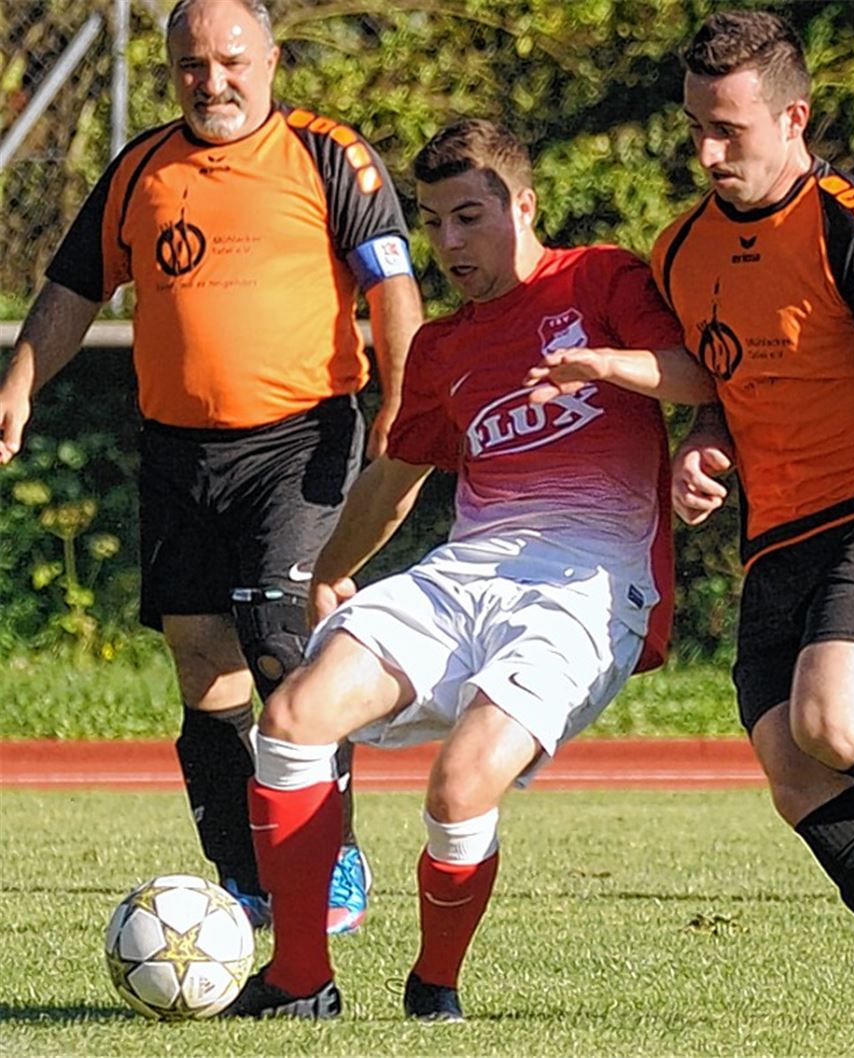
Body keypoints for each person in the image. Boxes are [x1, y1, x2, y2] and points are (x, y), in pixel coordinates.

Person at [528, 9, 854, 1032]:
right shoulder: (683, 249)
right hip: (778, 539)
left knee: (834, 718)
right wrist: (701, 443)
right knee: (798, 773)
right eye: (695, 129)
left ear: (792, 117)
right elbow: (715, 381)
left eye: (730, 130)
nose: (708, 152)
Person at [220, 117, 717, 1020]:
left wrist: (605, 364)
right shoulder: (445, 349)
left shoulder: (602, 278)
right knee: (292, 719)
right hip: (465, 572)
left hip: (588, 583)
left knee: (461, 780)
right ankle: (298, 980)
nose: (448, 243)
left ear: (523, 206)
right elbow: (394, 479)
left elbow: (697, 375)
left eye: (470, 217)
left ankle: (433, 983)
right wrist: (330, 569)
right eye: (434, 223)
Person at [0, 0, 423, 936]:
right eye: (192, 65)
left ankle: (332, 855)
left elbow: (394, 285)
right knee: (203, 664)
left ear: (270, 61)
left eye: (232, 60)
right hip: (179, 450)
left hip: (301, 441)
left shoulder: (327, 155)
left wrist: (406, 400)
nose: (213, 81)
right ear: (171, 70)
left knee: (282, 638)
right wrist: (21, 381)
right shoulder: (142, 168)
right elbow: (74, 286)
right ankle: (247, 872)